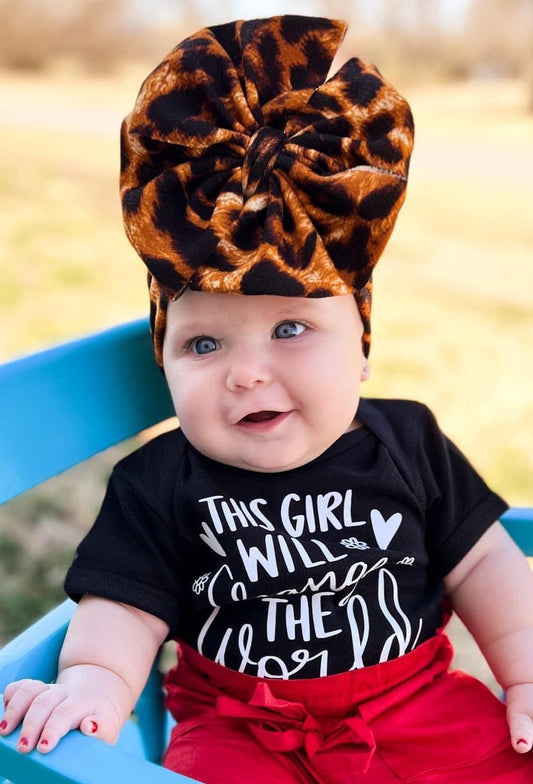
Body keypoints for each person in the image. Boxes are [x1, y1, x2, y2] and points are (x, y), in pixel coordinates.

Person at [1, 15, 533, 784]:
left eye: (290, 328)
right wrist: (95, 685)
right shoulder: (158, 485)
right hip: (239, 729)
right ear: (165, 359)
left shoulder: (407, 442)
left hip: (413, 709)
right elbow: (124, 610)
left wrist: (524, 678)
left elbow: (484, 563)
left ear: (360, 344)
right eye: (203, 345)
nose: (245, 374)